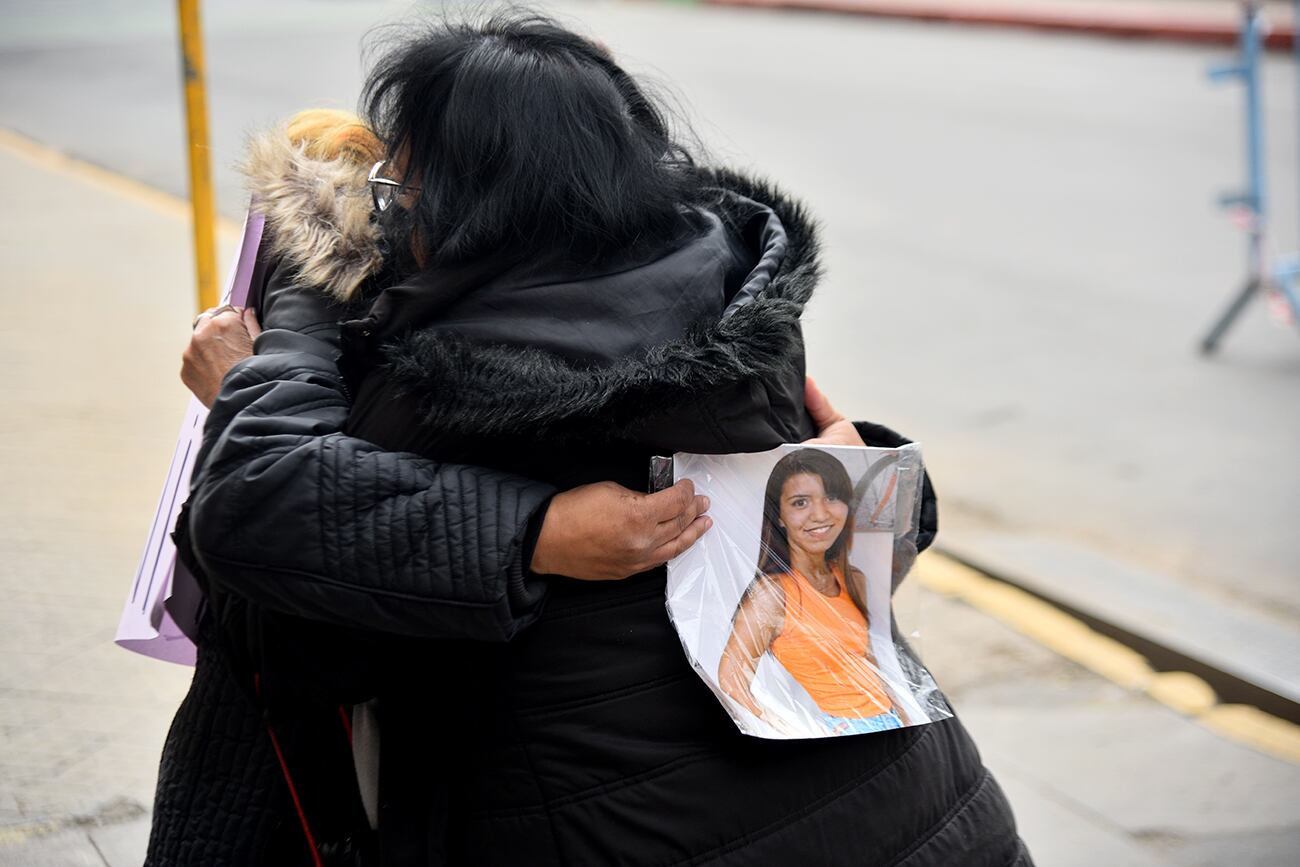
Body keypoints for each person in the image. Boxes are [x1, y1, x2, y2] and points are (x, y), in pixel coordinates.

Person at [158, 12, 1032, 866]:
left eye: (398, 194)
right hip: (934, 820)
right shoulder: (728, 293)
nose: (390, 219)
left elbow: (277, 602)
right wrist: (859, 485)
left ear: (471, 205)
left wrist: (293, 305)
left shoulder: (436, 388)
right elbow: (862, 545)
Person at [718, 448, 913, 736]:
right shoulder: (772, 595)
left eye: (831, 497)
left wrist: (907, 718)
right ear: (779, 516)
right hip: (838, 731)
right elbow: (730, 681)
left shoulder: (852, 579)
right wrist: (793, 732)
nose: (820, 514)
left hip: (890, 722)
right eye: (800, 502)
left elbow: (869, 662)